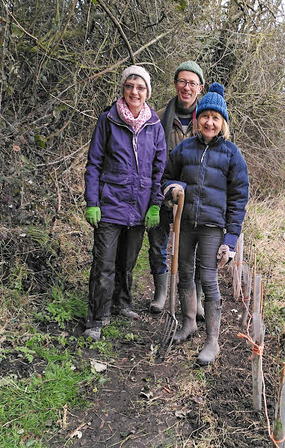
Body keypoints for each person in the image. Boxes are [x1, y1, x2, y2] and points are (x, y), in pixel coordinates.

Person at [163, 82, 249, 365]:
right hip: (185, 222)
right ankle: (189, 323)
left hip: (213, 227)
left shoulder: (231, 154)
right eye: (205, 116)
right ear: (197, 119)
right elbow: (166, 176)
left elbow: (239, 198)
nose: (209, 122)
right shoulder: (185, 148)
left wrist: (231, 240)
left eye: (215, 118)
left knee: (209, 278)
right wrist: (173, 189)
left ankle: (213, 340)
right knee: (185, 273)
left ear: (222, 123)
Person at [83, 65, 166, 341]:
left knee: (127, 262)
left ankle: (122, 303)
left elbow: (159, 169)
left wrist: (155, 204)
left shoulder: (154, 125)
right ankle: (97, 316)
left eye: (140, 87)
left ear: (147, 92)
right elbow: (94, 163)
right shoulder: (108, 120)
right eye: (130, 86)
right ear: (123, 89)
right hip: (109, 203)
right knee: (104, 262)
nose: (134, 91)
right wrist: (92, 200)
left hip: (139, 206)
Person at [148, 61, 205, 319]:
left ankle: (197, 298)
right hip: (162, 189)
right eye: (182, 81)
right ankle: (160, 292)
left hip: (195, 196)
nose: (186, 87)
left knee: (195, 247)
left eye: (192, 83)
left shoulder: (207, 120)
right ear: (175, 84)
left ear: (200, 88)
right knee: (157, 241)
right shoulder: (158, 118)